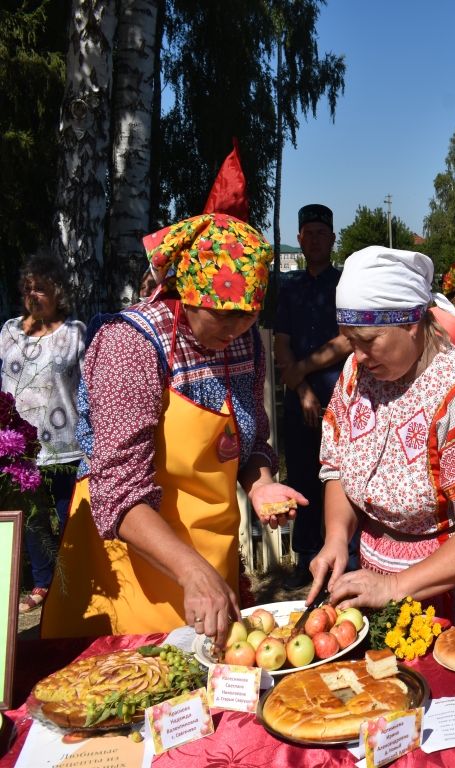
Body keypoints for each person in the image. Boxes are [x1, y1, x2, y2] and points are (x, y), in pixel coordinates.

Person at [41, 213, 305, 647]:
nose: (237, 328)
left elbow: (252, 440)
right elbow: (119, 490)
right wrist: (191, 570)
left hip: (208, 563)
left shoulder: (244, 342)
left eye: (248, 314)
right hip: (133, 568)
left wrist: (260, 484)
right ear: (186, 290)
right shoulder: (132, 344)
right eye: (223, 314)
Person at [308, 246, 455, 623]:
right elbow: (337, 466)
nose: (356, 355)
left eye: (368, 339)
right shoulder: (357, 375)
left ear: (410, 324)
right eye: (350, 341)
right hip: (378, 585)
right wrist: (336, 538)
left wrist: (393, 587)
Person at [0, 254, 86, 613]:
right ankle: (42, 582)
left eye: (41, 288)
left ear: (57, 292)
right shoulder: (7, 331)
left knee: (70, 518)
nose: (34, 294)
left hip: (64, 444)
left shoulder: (74, 333)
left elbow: (87, 388)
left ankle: (75, 585)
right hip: (19, 446)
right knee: (32, 519)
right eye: (28, 288)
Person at [273, 203, 352, 588]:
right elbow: (280, 345)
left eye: (323, 233)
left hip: (345, 400)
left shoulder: (346, 285)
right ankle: (305, 564)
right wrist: (302, 388)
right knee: (303, 480)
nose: (316, 239)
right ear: (300, 239)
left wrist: (302, 369)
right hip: (301, 403)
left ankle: (347, 561)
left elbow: (350, 338)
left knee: (347, 480)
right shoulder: (288, 289)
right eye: (310, 233)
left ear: (332, 239)